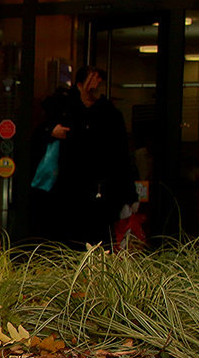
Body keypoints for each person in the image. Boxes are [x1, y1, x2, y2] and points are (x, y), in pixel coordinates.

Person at [29, 65, 137, 248]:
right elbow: (35, 136)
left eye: (99, 84)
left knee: (98, 244)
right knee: (67, 244)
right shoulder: (63, 110)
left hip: (101, 193)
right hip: (67, 193)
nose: (94, 88)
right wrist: (51, 131)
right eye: (91, 83)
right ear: (79, 85)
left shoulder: (110, 114)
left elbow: (121, 156)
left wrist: (128, 194)